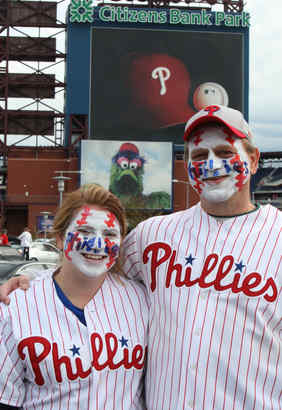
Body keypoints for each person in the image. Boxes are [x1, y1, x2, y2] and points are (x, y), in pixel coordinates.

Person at [1, 105, 281, 409]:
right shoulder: (153, 235)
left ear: (253, 160)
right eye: (199, 156)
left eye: (225, 153)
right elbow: (93, 266)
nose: (212, 165)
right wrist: (32, 281)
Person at [0, 184, 148, 409]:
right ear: (60, 238)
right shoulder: (16, 305)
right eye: (85, 232)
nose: (97, 244)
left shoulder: (142, 301)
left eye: (109, 234)